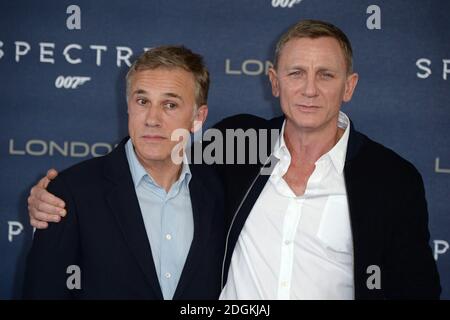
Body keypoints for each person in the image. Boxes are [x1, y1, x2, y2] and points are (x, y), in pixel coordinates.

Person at [27, 20, 441, 300]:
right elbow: (161, 143)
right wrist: (63, 195)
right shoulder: (241, 143)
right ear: (275, 82)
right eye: (296, 73)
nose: (309, 90)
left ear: (349, 86)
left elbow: (417, 290)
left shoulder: (392, 179)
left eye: (326, 75)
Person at [23, 45, 225, 299]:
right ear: (128, 106)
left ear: (198, 117)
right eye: (142, 101)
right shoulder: (69, 193)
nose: (152, 118)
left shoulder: (217, 190)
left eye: (170, 105)